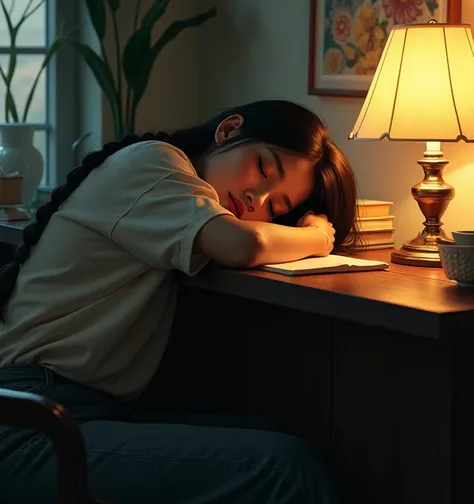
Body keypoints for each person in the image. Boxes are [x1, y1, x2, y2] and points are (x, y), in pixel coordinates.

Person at [0, 99, 358, 504]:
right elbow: (244, 243)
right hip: (29, 425)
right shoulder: (154, 163)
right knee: (286, 470)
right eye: (263, 168)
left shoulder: (184, 198)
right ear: (228, 131)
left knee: (279, 439)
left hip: (82, 409)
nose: (257, 198)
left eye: (277, 207)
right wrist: (317, 236)